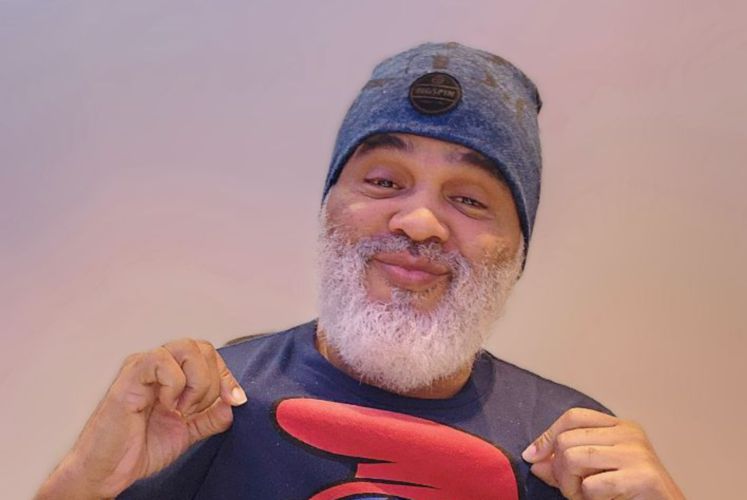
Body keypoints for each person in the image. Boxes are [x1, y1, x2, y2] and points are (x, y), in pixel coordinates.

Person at [36, 42, 684, 500]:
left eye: (468, 199)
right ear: (328, 209)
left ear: (517, 251)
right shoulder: (201, 411)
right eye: (384, 181)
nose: (419, 222)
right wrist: (83, 483)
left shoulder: (574, 451)